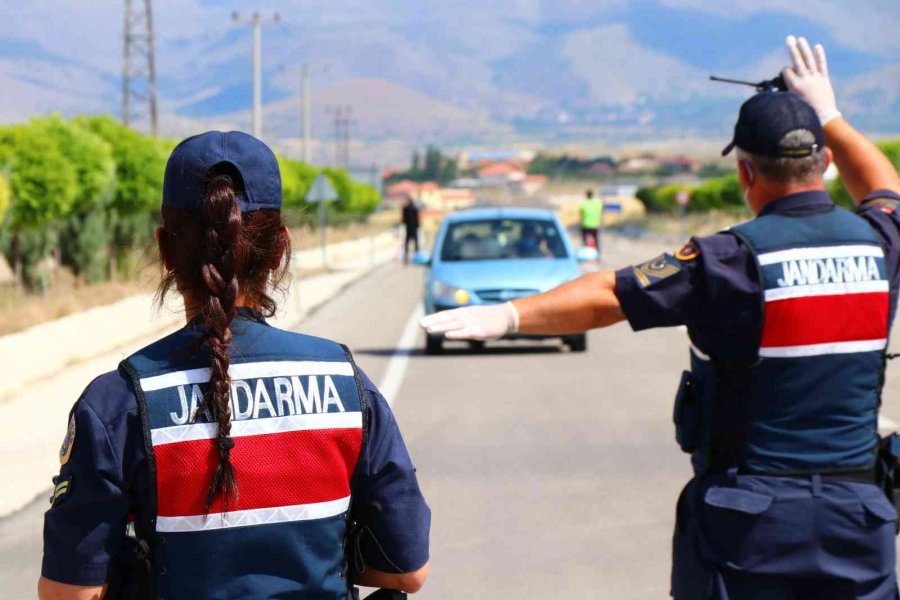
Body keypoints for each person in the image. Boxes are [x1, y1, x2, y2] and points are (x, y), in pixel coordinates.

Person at [421, 36, 900, 599]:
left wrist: (509, 315)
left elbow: (609, 294)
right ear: (823, 163)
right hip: (859, 519)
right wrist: (830, 114)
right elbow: (884, 187)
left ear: (745, 174)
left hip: (752, 525)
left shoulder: (730, 259)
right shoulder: (878, 242)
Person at [39, 131, 430, 600]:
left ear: (165, 250)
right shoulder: (346, 384)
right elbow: (407, 572)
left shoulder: (117, 403)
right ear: (281, 248)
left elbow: (70, 592)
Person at [401, 194, 420, 264]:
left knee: (408, 242)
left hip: (409, 227)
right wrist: (418, 225)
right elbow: (417, 218)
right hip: (413, 226)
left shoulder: (406, 208)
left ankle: (406, 256)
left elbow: (403, 218)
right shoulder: (414, 208)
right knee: (415, 241)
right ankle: (416, 255)